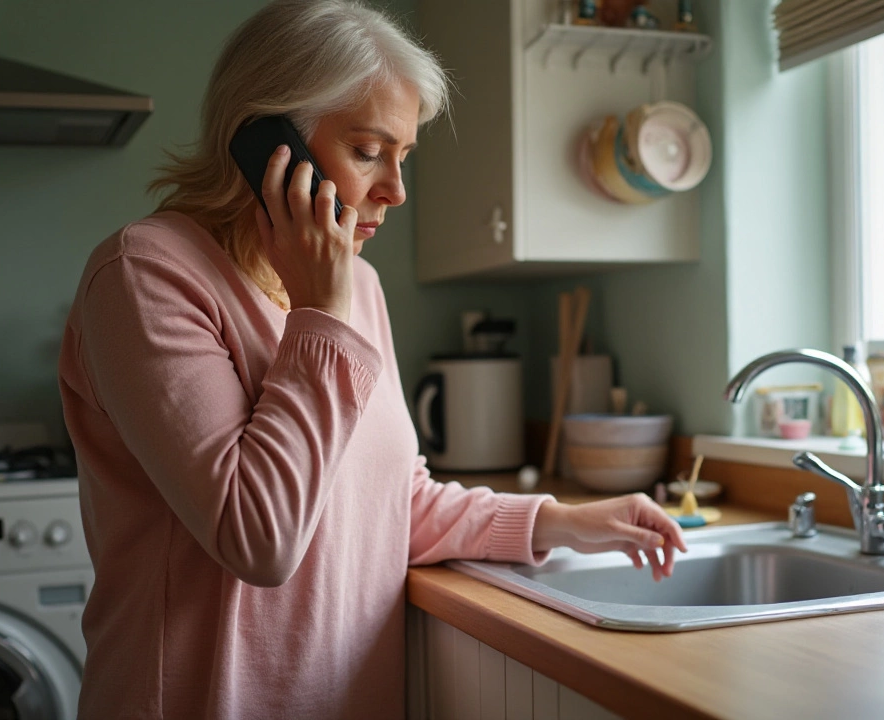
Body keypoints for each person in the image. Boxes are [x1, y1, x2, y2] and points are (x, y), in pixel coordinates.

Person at [57, 1, 687, 717]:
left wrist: (565, 521)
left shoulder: (357, 287)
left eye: (404, 156)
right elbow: (257, 538)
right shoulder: (146, 274)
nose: (396, 190)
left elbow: (391, 503)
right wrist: (319, 314)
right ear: (267, 142)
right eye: (367, 151)